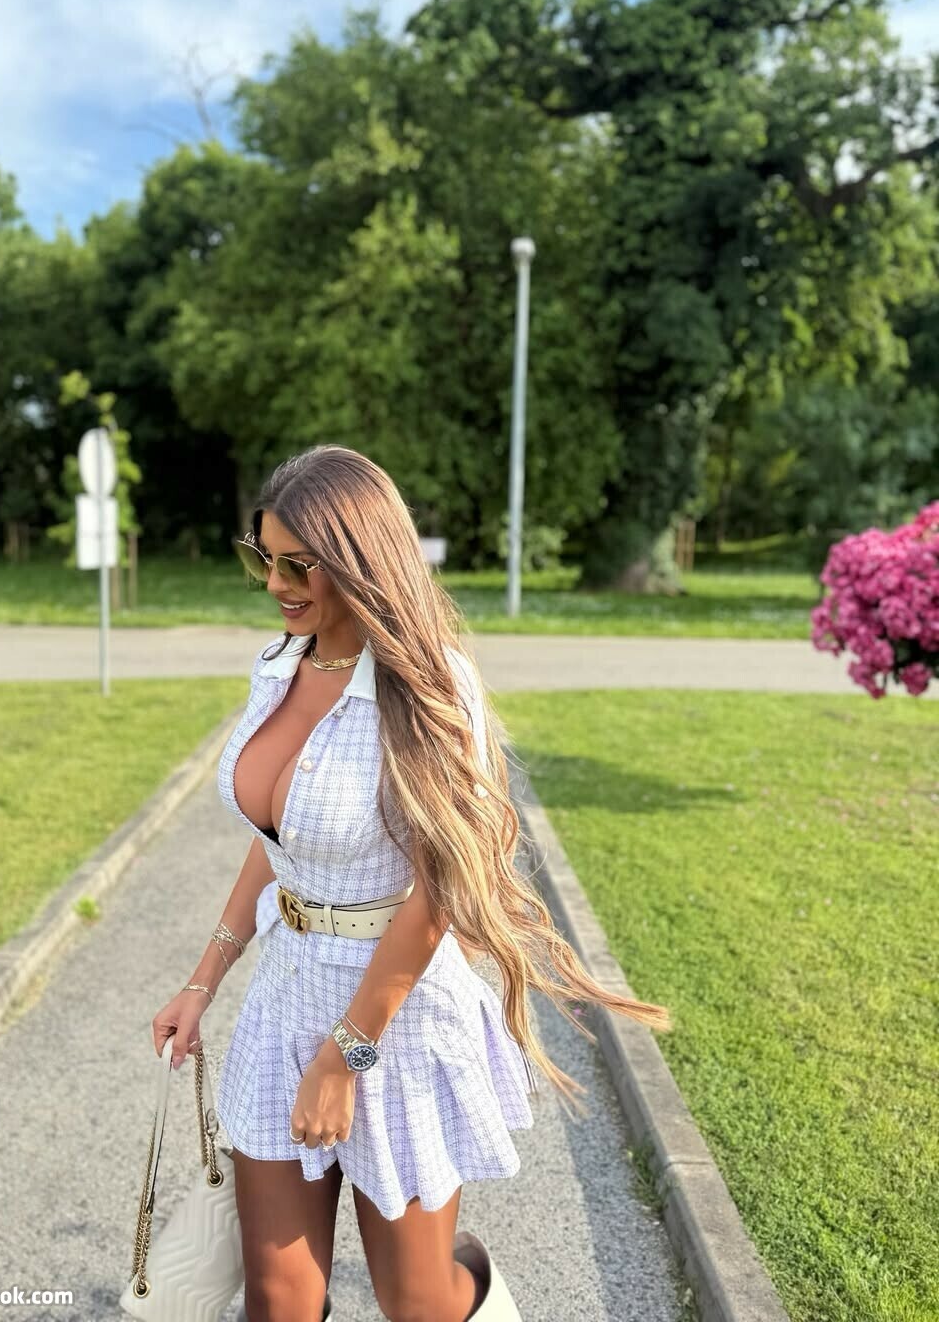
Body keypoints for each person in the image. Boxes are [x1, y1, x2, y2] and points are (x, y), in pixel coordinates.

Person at [151, 445, 672, 1322]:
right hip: (283, 1005)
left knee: (416, 1301)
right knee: (277, 1302)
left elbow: (441, 891)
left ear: (360, 561)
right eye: (261, 559)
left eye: (298, 565)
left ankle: (471, 1286)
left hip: (399, 1020)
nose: (275, 584)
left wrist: (346, 1054)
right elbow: (278, 839)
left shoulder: (432, 688)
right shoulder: (276, 666)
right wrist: (203, 980)